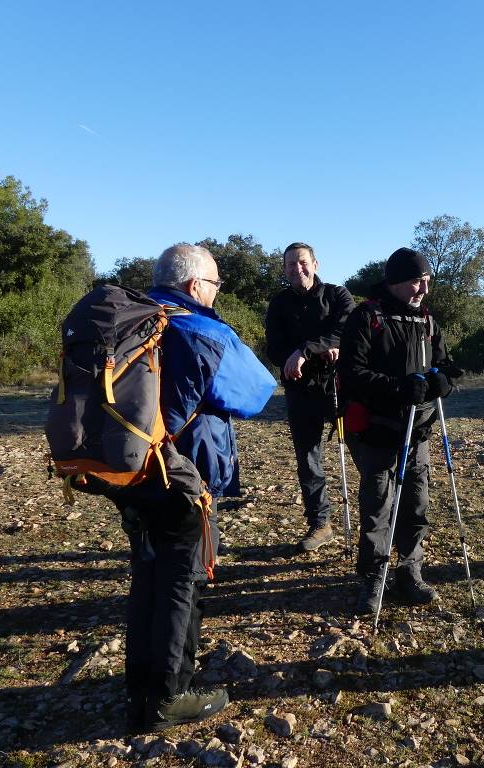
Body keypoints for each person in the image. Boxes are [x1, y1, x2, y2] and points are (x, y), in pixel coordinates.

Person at [125, 244, 276, 732]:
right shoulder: (202, 331)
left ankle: (139, 689)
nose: (216, 293)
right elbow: (256, 392)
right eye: (214, 285)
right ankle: (170, 696)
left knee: (146, 576)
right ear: (194, 287)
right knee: (181, 582)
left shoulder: (129, 319)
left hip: (127, 469)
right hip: (180, 476)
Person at [338, 247, 461, 614]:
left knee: (416, 503)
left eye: (426, 282)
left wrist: (443, 382)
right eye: (415, 282)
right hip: (378, 430)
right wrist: (398, 387)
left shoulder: (427, 321)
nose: (422, 289)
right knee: (378, 506)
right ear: (394, 282)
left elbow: (446, 365)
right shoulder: (366, 317)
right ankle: (373, 577)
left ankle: (410, 571)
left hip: (418, 430)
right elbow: (352, 373)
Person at [265, 242, 356, 553]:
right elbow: (274, 347)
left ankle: (377, 521)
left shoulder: (337, 295)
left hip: (339, 387)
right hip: (300, 390)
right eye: (290, 264)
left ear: (315, 264)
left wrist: (306, 349)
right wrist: (296, 354)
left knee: (362, 452)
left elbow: (346, 331)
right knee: (308, 459)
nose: (297, 269)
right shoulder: (278, 303)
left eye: (302, 262)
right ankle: (321, 523)